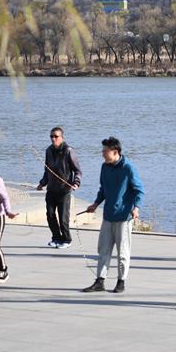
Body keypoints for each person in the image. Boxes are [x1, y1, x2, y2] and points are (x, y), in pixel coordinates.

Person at [82, 137, 144, 294]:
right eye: (103, 150)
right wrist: (96, 204)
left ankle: (121, 281)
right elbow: (103, 189)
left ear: (115, 152)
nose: (102, 153)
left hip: (124, 217)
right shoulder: (105, 167)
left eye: (105, 151)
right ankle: (100, 281)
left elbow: (139, 190)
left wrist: (136, 207)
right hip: (108, 215)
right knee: (103, 250)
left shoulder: (128, 168)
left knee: (123, 252)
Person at [36, 126, 82, 249]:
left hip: (64, 190)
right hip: (51, 189)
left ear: (62, 137)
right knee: (50, 215)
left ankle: (67, 240)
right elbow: (47, 170)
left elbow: (77, 171)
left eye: (56, 136)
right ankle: (56, 237)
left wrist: (76, 183)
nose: (53, 138)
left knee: (63, 217)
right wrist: (42, 183)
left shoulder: (68, 151)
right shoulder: (48, 151)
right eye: (51, 136)